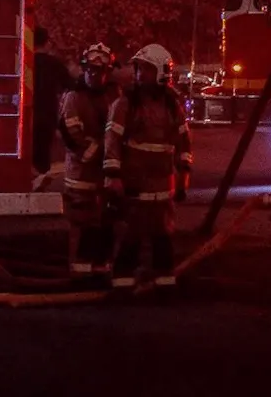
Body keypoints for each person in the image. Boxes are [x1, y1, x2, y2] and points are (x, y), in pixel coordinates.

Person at [103, 43, 192, 288]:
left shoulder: (173, 106)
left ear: (162, 72)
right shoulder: (126, 104)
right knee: (131, 236)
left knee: (163, 238)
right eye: (139, 69)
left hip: (164, 186)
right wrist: (113, 176)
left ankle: (165, 284)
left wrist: (184, 172)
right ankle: (122, 284)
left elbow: (184, 141)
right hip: (135, 183)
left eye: (146, 70)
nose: (140, 75)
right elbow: (112, 141)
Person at [57, 43, 120, 277]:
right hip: (81, 177)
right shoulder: (73, 97)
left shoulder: (115, 95)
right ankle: (79, 273)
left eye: (101, 71)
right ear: (84, 69)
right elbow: (73, 137)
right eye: (91, 70)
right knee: (82, 224)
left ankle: (102, 269)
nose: (95, 75)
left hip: (105, 176)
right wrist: (106, 152)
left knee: (106, 222)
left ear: (108, 72)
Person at [32, 27, 71, 178]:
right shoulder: (54, 64)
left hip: (27, 116)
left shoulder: (25, 63)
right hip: (48, 117)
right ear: (47, 43)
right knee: (42, 156)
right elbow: (70, 85)